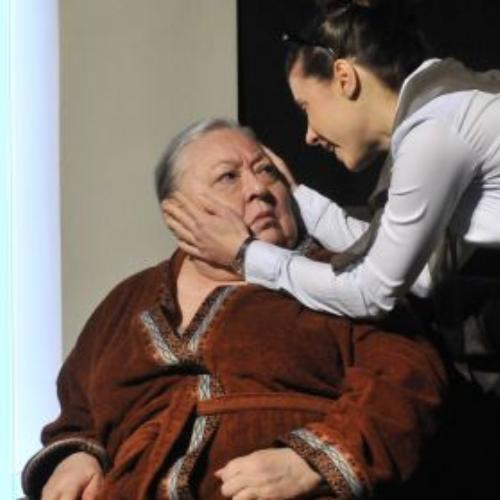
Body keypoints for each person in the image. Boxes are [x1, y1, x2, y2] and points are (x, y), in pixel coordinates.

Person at [22, 119, 446, 500]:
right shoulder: (128, 301)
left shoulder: (345, 281)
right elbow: (78, 410)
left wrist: (310, 463)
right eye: (229, 177)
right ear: (176, 212)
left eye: (267, 172)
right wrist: (76, 456)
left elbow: (406, 382)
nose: (258, 188)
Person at [163, 0, 500, 394]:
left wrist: (246, 255)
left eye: (305, 106)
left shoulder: (435, 132)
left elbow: (372, 292)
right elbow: (422, 274)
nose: (308, 135)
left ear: (344, 77)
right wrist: (297, 200)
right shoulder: (448, 105)